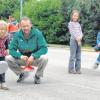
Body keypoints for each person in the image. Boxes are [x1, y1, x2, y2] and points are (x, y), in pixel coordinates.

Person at [6, 17, 48, 84]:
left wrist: (34, 56)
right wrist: (20, 56)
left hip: (34, 58)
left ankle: (37, 76)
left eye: (27, 26)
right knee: (8, 58)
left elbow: (44, 48)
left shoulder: (37, 33)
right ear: (20, 26)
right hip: (23, 59)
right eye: (23, 26)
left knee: (45, 58)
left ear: (31, 25)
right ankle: (22, 73)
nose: (26, 28)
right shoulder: (17, 35)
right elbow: (11, 50)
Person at [68, 10, 83, 74]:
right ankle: (71, 70)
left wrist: (80, 37)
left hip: (79, 41)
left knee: (78, 56)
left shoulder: (78, 24)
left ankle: (78, 69)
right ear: (72, 16)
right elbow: (72, 33)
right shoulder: (70, 24)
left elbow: (81, 32)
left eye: (77, 16)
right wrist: (78, 39)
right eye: (74, 15)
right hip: (73, 41)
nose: (75, 17)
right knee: (73, 56)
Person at [0, 20, 9, 90]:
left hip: (2, 54)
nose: (2, 31)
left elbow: (7, 45)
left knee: (2, 68)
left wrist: (7, 50)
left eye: (4, 29)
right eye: (1, 29)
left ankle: (3, 83)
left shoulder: (6, 36)